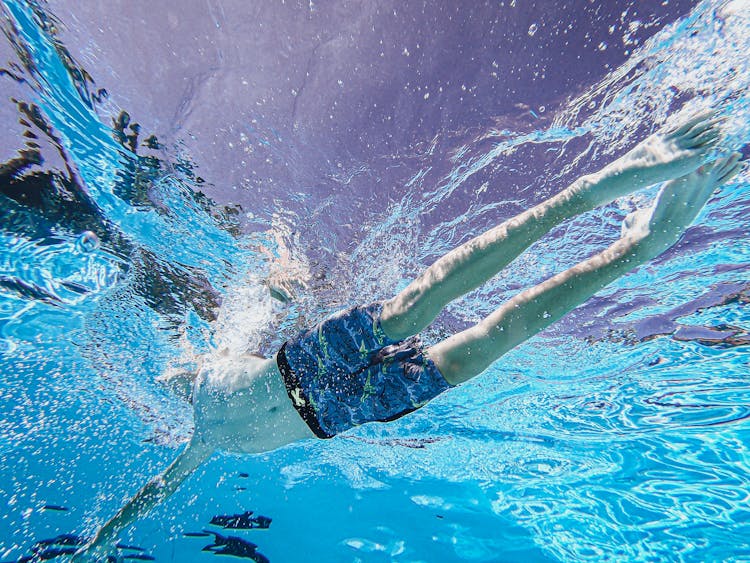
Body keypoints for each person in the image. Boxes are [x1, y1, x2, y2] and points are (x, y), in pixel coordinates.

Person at [74, 110, 742, 560]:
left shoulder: (202, 425)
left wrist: (102, 541)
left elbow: (151, 494)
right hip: (323, 390)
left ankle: (627, 238)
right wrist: (99, 541)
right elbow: (150, 494)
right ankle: (631, 237)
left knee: (482, 330)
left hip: (323, 397)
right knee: (441, 309)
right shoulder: (205, 407)